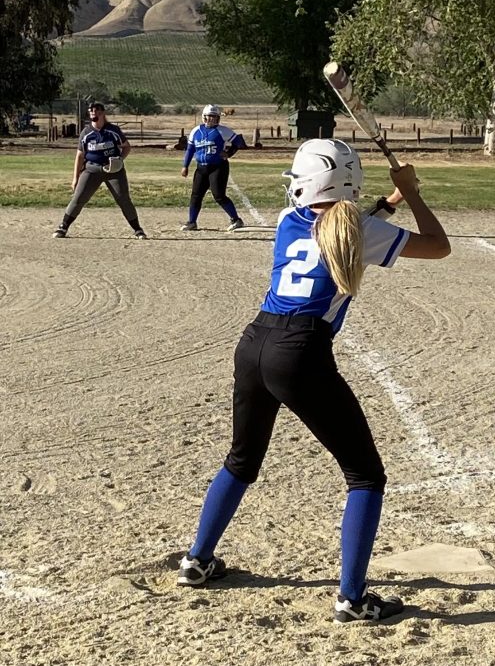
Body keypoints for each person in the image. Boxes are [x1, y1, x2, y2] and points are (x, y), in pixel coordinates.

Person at [176, 138, 451, 623]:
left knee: (241, 460)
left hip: (254, 343)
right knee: (366, 475)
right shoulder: (358, 230)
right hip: (301, 354)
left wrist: (393, 200)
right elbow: (438, 246)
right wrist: (412, 192)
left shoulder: (287, 223)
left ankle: (197, 561)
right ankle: (352, 598)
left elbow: (342, 228)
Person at [52, 102, 147, 239]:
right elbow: (80, 155)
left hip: (113, 170)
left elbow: (126, 147)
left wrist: (120, 159)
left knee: (123, 199)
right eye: (91, 111)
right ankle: (63, 227)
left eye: (96, 111)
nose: (93, 113)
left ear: (103, 113)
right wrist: (75, 178)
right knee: (78, 198)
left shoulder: (113, 130)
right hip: (92, 169)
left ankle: (138, 229)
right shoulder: (86, 133)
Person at [180, 104, 247, 232]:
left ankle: (236, 219)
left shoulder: (223, 131)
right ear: (203, 117)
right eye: (209, 116)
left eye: (214, 117)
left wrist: (229, 153)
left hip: (218, 167)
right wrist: (185, 166)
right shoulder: (196, 131)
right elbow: (190, 150)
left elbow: (239, 142)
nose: (211, 119)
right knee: (196, 195)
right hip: (201, 168)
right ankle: (192, 222)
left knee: (219, 196)